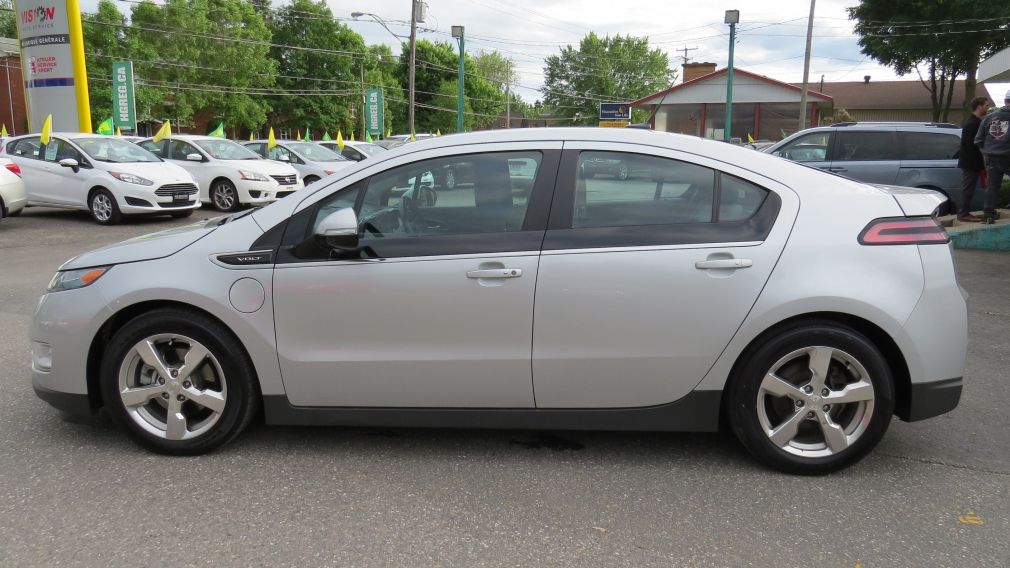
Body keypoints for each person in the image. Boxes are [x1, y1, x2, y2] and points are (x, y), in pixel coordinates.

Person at [975, 89, 1010, 224]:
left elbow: (978, 140)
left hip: (990, 156)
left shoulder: (990, 117)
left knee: (992, 186)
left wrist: (985, 152)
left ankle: (989, 215)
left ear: (1005, 101)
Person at [956, 97, 989, 222]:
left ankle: (964, 212)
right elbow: (972, 144)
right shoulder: (972, 124)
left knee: (969, 187)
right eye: (986, 105)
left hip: (972, 162)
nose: (987, 108)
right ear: (979, 106)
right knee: (968, 188)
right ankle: (963, 213)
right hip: (970, 162)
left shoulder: (975, 122)